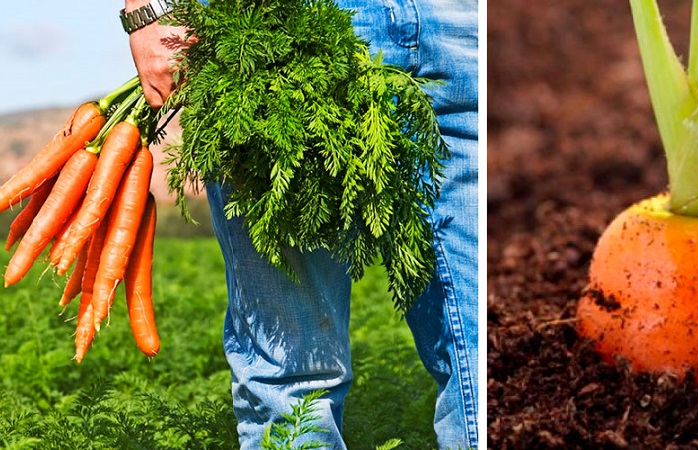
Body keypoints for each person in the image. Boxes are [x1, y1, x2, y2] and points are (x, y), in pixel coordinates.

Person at [123, 0, 478, 448]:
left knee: (475, 360)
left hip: (452, 26)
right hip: (271, 31)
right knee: (292, 374)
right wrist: (146, 12)